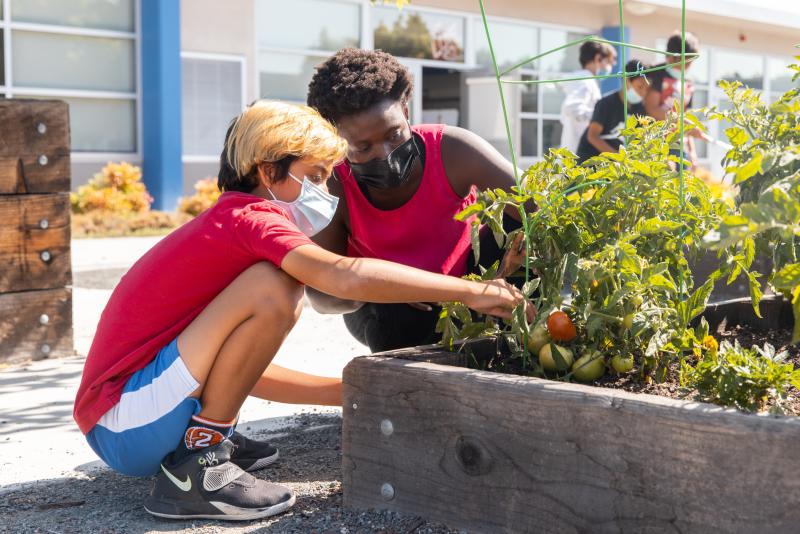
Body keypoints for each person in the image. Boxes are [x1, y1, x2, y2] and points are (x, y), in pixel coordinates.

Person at [73, 100, 528, 521]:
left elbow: (234, 368)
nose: (325, 189)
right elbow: (343, 275)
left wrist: (349, 393)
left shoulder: (229, 225)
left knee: (270, 287)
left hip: (127, 422)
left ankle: (201, 440)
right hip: (127, 419)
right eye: (314, 175)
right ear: (269, 171)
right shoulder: (252, 220)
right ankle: (200, 465)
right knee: (277, 287)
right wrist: (471, 292)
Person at [305, 48, 528, 353]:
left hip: (470, 282)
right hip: (390, 309)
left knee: (515, 220)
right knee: (397, 318)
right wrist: (386, 284)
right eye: (363, 147)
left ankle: (513, 349)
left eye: (394, 134)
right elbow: (320, 293)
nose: (385, 154)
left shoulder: (453, 150)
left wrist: (524, 257)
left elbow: (540, 203)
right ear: (335, 140)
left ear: (406, 112)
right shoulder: (331, 183)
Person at [576, 59, 650, 163]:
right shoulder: (606, 104)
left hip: (615, 168)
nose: (643, 92)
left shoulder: (640, 110)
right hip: (591, 163)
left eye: (647, 89)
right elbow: (592, 136)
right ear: (626, 81)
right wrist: (619, 158)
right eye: (640, 87)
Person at [644, 31, 700, 167]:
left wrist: (692, 151)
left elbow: (686, 116)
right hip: (654, 140)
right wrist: (681, 122)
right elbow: (651, 108)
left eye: (689, 63)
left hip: (678, 142)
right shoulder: (656, 74)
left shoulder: (688, 82)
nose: (686, 67)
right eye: (683, 62)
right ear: (670, 57)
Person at [560, 40, 618, 153]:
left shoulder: (584, 81)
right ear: (598, 58)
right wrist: (600, 117)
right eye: (608, 62)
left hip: (574, 149)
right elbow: (571, 108)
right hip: (577, 153)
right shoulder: (585, 82)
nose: (609, 68)